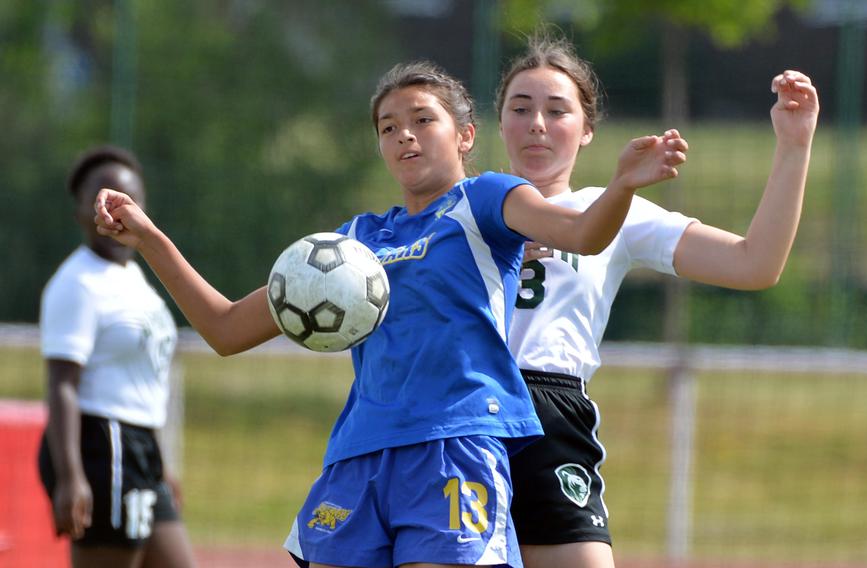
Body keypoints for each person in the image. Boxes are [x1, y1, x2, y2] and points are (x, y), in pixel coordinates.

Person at [93, 60, 685, 568]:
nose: (405, 135)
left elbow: (582, 233)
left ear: (466, 135)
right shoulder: (352, 244)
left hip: (455, 446)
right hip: (359, 454)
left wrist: (622, 187)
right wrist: (150, 240)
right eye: (389, 127)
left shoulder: (486, 202)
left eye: (424, 120)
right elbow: (224, 328)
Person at [495, 33, 819, 568]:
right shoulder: (465, 207)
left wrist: (794, 145)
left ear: (587, 129)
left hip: (549, 416)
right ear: (498, 122)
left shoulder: (610, 208)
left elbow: (755, 263)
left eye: (557, 110)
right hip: (457, 410)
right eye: (521, 107)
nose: (537, 123)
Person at [38, 145, 196, 568]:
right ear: (81, 212)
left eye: (128, 199)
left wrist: (158, 466)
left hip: (140, 449)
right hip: (101, 446)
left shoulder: (136, 277)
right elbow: (62, 386)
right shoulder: (77, 283)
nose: (115, 210)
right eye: (101, 199)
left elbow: (141, 381)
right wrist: (71, 477)